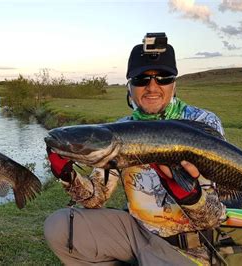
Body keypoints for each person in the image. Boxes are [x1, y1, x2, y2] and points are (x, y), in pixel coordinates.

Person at [44, 36, 229, 265]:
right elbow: (95, 198)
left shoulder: (203, 124)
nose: (152, 87)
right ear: (130, 86)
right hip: (137, 234)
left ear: (174, 84)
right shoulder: (119, 131)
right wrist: (67, 175)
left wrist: (189, 194)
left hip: (191, 246)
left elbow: (211, 218)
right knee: (60, 227)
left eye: (163, 78)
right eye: (142, 79)